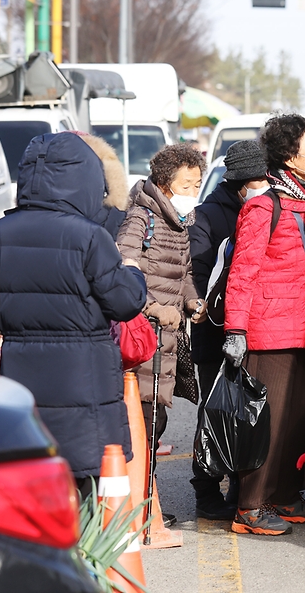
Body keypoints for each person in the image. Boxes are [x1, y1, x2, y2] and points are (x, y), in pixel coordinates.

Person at [0, 133, 147, 493]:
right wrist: (132, 270)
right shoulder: (88, 236)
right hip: (82, 379)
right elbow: (125, 302)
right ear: (85, 179)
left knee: (36, 487)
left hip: (21, 375)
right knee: (84, 489)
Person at [223, 113, 305, 536]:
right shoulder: (264, 206)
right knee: (267, 424)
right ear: (290, 155)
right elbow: (243, 272)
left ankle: (286, 495)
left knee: (297, 419)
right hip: (269, 331)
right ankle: (250, 507)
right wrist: (235, 331)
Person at [188, 139, 269, 520]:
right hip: (215, 331)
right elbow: (199, 273)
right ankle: (206, 492)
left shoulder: (269, 207)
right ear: (240, 181)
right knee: (215, 410)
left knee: (246, 412)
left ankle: (240, 488)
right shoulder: (207, 216)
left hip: (255, 330)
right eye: (257, 179)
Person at [117, 143, 207, 455]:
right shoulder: (141, 218)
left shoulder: (180, 222)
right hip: (140, 334)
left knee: (155, 417)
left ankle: (143, 492)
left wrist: (194, 302)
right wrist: (153, 306)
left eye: (197, 185)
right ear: (165, 184)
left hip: (166, 335)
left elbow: (185, 275)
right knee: (142, 418)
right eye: (186, 185)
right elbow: (121, 270)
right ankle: (133, 495)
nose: (192, 192)